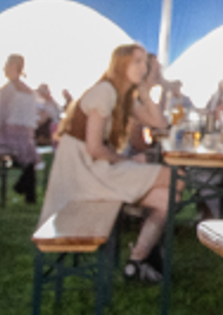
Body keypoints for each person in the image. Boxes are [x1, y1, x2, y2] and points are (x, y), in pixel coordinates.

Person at [39, 44, 173, 282]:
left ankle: (137, 261)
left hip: (96, 168)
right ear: (121, 64)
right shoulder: (105, 92)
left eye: (146, 64)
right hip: (84, 171)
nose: (144, 68)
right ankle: (142, 256)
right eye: (138, 62)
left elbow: (161, 124)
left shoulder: (122, 96)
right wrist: (128, 161)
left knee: (167, 197)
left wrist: (144, 92)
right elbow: (94, 148)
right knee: (173, 180)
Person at [0, 54, 42, 203]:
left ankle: (20, 185)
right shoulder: (30, 91)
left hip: (8, 135)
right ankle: (26, 189)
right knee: (28, 160)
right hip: (25, 138)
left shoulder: (8, 89)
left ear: (12, 67)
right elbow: (32, 118)